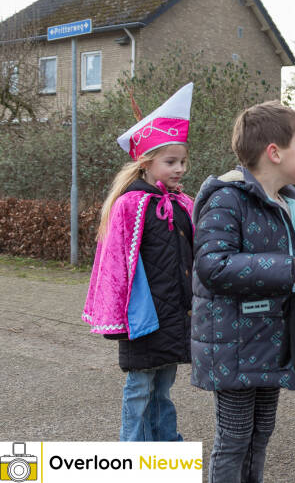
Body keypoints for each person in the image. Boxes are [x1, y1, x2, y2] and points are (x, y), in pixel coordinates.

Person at [191, 101, 295, 483]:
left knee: (261, 435)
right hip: (234, 345)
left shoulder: (290, 205)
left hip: (274, 341)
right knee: (234, 438)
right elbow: (213, 266)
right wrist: (291, 267)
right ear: (274, 153)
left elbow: (292, 285)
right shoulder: (227, 198)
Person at [83, 83, 195, 441]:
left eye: (182, 162)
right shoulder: (131, 204)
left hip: (174, 315)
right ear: (146, 163)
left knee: (163, 389)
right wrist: (119, 317)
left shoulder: (182, 204)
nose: (179, 169)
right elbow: (117, 266)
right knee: (139, 390)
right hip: (143, 319)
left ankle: (165, 452)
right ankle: (133, 454)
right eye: (170, 162)